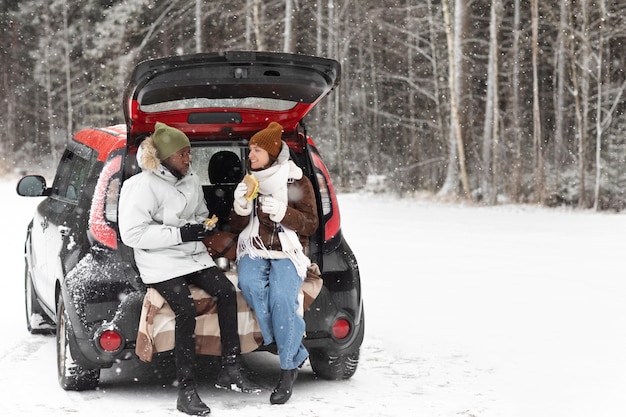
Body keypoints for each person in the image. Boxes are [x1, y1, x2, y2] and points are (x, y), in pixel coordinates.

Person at [118, 122, 255, 416]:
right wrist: (180, 234)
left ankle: (230, 368)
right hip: (160, 261)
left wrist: (204, 225)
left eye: (189, 154)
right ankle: (187, 390)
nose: (188, 160)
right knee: (186, 308)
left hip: (191, 254)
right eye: (182, 155)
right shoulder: (140, 186)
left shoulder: (190, 178)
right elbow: (132, 234)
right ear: (165, 157)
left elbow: (200, 213)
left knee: (227, 292)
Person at [229, 121, 319, 405]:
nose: (251, 155)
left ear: (273, 152)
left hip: (288, 250)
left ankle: (287, 369)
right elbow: (235, 225)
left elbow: (312, 224)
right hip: (254, 248)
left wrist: (284, 213)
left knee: (282, 297)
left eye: (257, 150)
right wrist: (241, 208)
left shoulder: (296, 180)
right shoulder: (249, 181)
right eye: (251, 150)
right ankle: (280, 342)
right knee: (249, 285)